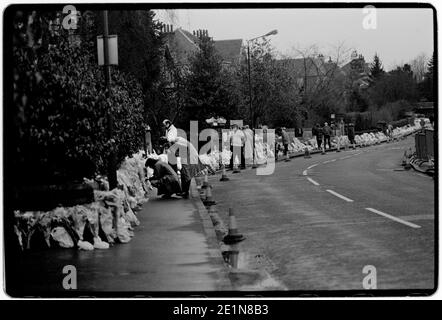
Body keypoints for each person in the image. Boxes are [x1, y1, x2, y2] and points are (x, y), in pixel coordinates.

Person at [162, 119, 206, 198]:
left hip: (190, 155)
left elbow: (182, 152)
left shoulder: (177, 141)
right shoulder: (176, 141)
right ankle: (184, 191)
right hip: (188, 154)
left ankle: (185, 192)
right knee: (184, 173)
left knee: (186, 173)